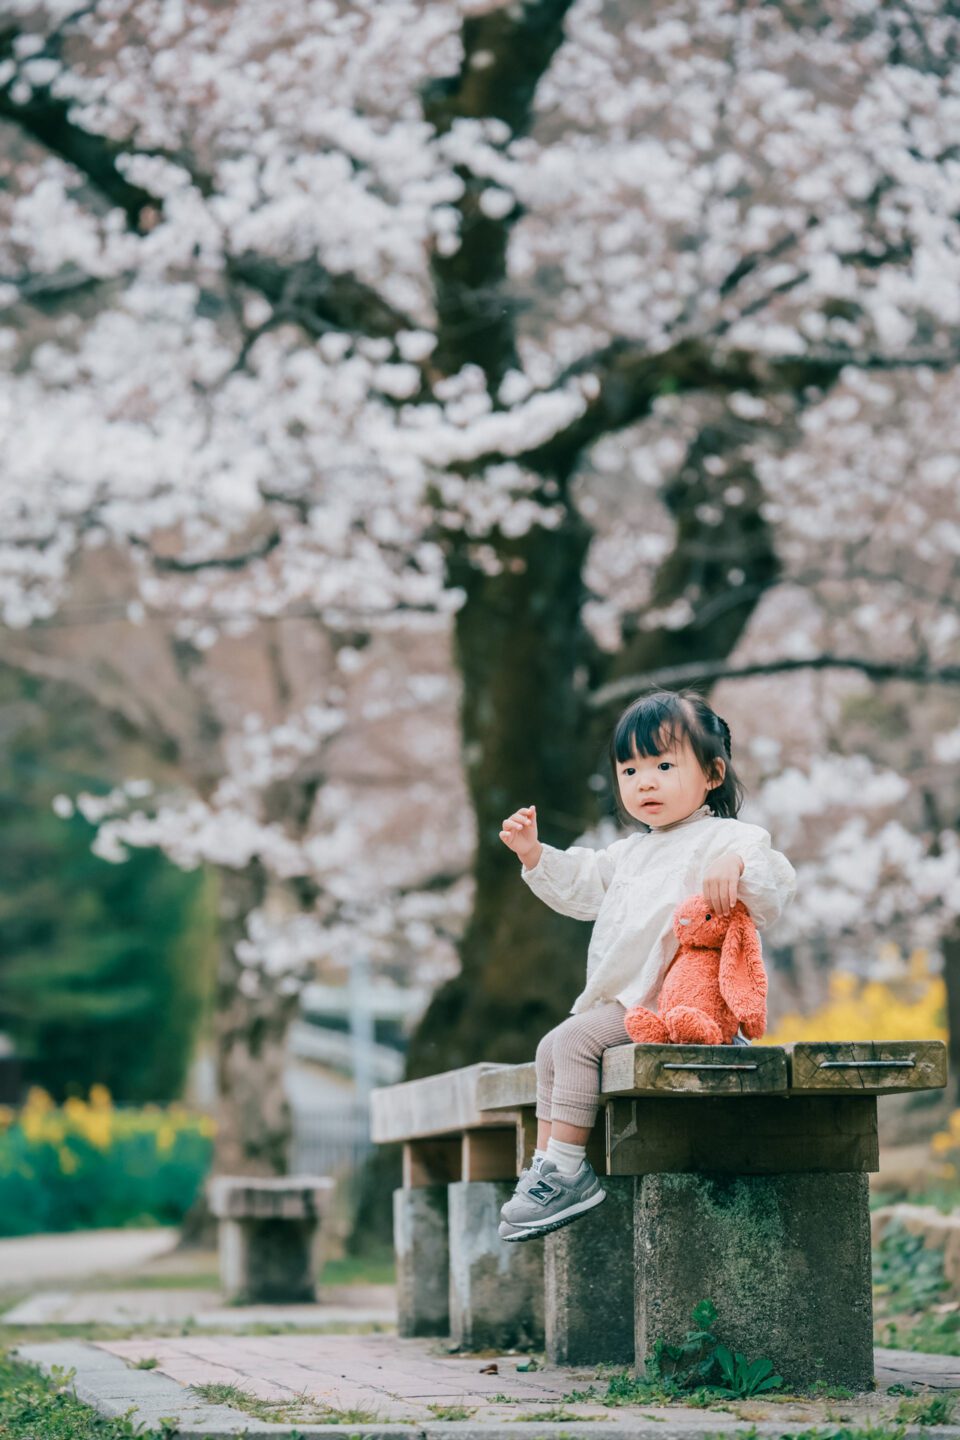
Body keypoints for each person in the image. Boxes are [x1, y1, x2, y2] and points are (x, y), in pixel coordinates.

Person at [496, 688, 797, 1243]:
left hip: (675, 1004)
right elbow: (583, 888)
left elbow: (772, 883)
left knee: (570, 1043)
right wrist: (535, 855)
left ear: (712, 774)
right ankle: (546, 1165)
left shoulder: (730, 837)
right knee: (550, 1046)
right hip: (635, 1003)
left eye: (663, 764)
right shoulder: (628, 854)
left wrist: (735, 861)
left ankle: (566, 1170)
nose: (646, 781)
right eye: (630, 769)